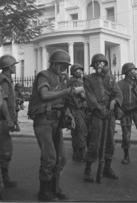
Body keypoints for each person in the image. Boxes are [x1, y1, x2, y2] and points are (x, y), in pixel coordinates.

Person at [28, 49, 82, 201]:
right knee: (49, 158)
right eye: (61, 65)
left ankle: (55, 188)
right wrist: (66, 91)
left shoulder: (62, 79)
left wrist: (69, 116)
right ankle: (44, 192)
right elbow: (45, 95)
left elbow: (62, 102)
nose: (63, 68)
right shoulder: (44, 75)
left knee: (61, 158)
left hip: (56, 121)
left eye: (65, 65)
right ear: (53, 64)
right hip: (43, 120)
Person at [83, 53, 123, 183]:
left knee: (110, 142)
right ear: (93, 65)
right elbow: (90, 96)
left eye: (101, 62)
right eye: (96, 63)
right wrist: (99, 108)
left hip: (109, 114)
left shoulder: (111, 78)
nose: (99, 65)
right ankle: (88, 170)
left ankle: (107, 168)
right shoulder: (88, 79)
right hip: (97, 114)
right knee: (94, 142)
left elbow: (118, 93)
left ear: (105, 64)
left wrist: (115, 101)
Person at [0, 54, 19, 188]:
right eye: (13, 65)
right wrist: (8, 119)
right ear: (7, 67)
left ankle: (5, 178)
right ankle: (4, 179)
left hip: (4, 120)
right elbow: (3, 103)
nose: (15, 67)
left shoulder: (7, 79)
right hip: (2, 120)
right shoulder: (4, 80)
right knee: (6, 150)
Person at [68, 63, 88, 162]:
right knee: (82, 131)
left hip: (72, 110)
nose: (81, 72)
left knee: (75, 132)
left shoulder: (69, 81)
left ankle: (76, 153)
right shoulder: (76, 82)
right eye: (78, 70)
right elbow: (83, 96)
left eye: (81, 70)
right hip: (78, 109)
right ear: (73, 72)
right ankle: (82, 153)